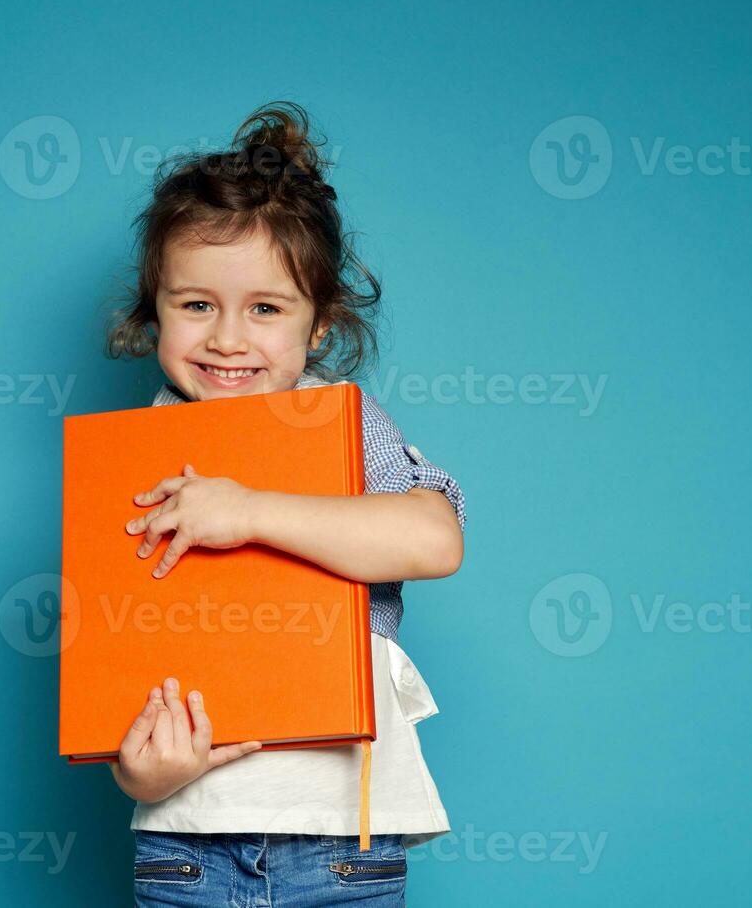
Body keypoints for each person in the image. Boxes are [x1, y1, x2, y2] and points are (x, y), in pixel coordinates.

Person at [102, 102, 468, 907]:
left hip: (340, 838)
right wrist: (142, 770)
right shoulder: (125, 459)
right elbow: (116, 690)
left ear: (318, 326)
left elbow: (433, 539)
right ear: (152, 310)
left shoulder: (337, 423)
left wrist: (250, 511)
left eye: (265, 309)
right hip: (185, 840)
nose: (227, 338)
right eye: (195, 304)